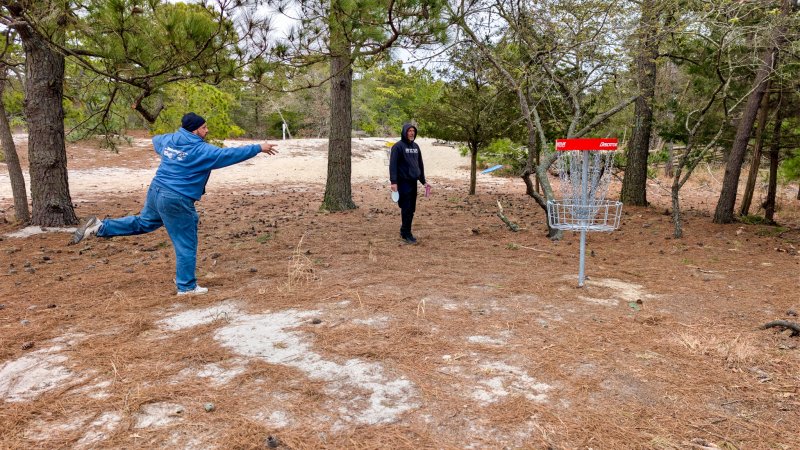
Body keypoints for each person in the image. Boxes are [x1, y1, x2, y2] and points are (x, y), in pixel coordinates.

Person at [70, 112, 278, 295]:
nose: (207, 130)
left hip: (157, 190)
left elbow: (155, 140)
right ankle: (186, 287)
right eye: (204, 127)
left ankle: (100, 226)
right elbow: (229, 155)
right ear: (195, 130)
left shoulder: (170, 140)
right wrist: (259, 147)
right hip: (176, 197)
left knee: (145, 223)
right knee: (185, 242)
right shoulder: (202, 151)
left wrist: (172, 152)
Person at [389, 123, 430, 244]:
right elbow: (393, 165)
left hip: (413, 182)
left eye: (413, 131)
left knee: (411, 208)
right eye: (409, 131)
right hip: (403, 182)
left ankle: (404, 230)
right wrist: (394, 182)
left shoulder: (416, 147)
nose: (411, 133)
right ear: (404, 132)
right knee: (406, 207)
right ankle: (407, 233)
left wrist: (423, 181)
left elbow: (420, 165)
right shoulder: (397, 147)